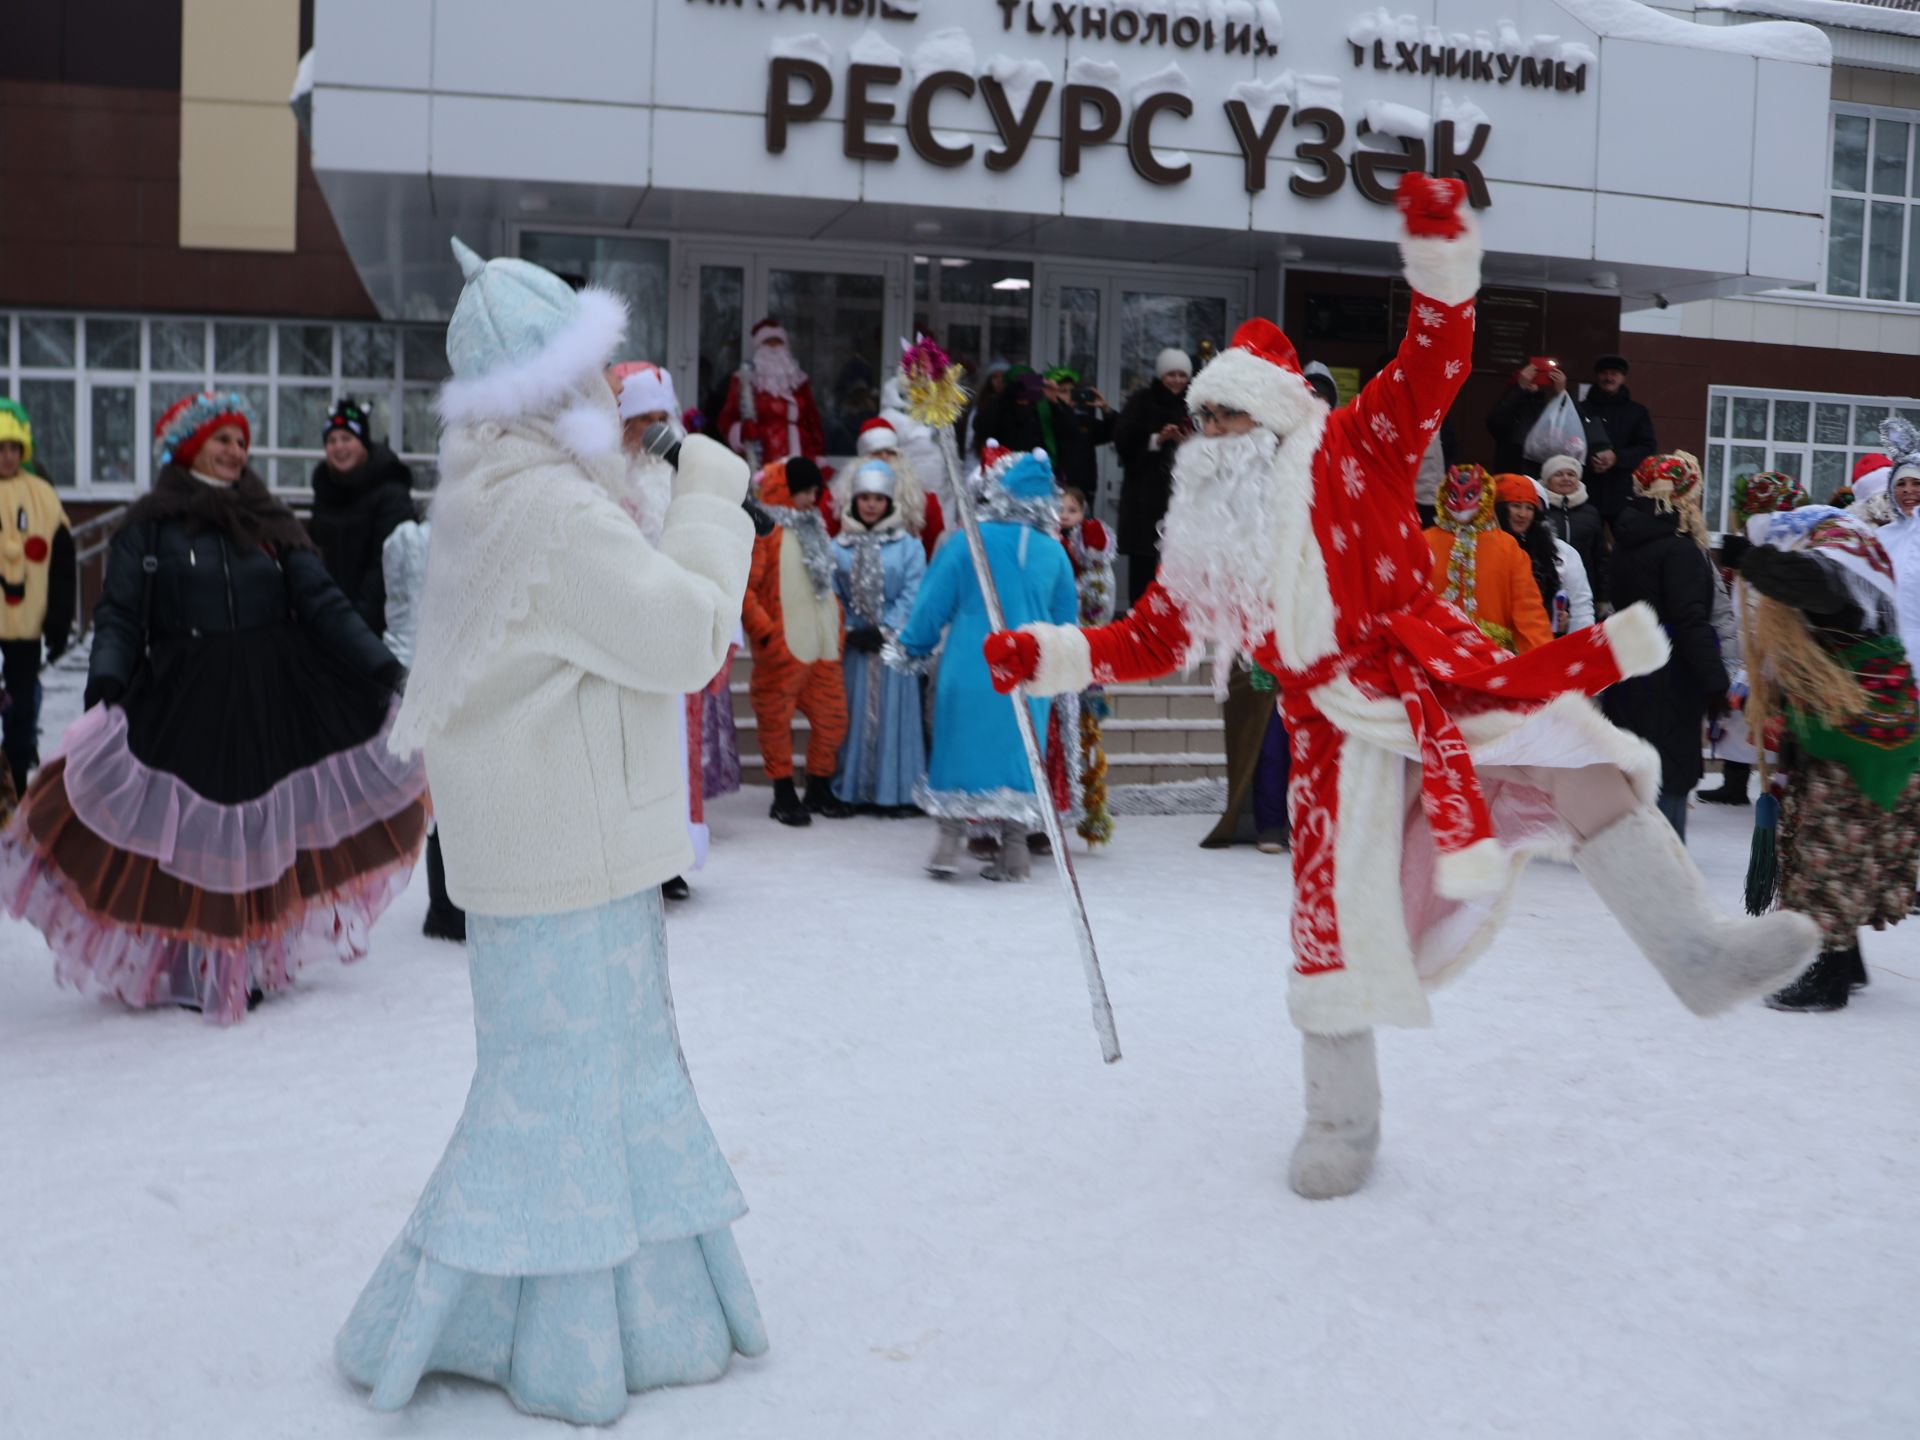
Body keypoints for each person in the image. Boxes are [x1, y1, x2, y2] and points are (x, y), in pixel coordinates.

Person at [985, 173, 1816, 1201]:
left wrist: (1437, 256)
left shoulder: (1357, 446)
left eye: (1232, 419)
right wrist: (1051, 655)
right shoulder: (1207, 529)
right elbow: (1156, 635)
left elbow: (1434, 362)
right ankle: (1341, 1121)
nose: (1215, 440)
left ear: (1278, 416)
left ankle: (1698, 952)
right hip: (1329, 731)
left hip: (1431, 670)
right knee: (1327, 922)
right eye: (1204, 422)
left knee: (1581, 762)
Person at [336, 241, 766, 1425]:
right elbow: (681, 639)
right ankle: (553, 1341)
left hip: (557, 858)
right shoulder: (545, 516)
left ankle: (621, 1321)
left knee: (594, 1088)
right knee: (571, 1100)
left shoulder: (502, 493)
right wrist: (713, 498)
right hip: (572, 864)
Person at [0, 390, 427, 1023]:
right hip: (183, 692)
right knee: (193, 836)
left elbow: (325, 605)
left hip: (268, 692)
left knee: (258, 835)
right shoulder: (148, 525)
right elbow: (119, 615)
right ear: (189, 445)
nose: (235, 451)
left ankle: (248, 960)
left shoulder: (269, 519)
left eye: (241, 442)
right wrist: (106, 688)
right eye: (222, 439)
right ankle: (188, 961)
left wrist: (387, 670)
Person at [1730, 507, 1920, 1011]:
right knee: (1839, 850)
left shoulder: (1839, 561)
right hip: (1867, 727)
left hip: (1853, 737)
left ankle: (1827, 979)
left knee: (1826, 854)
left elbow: (1809, 582)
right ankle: (1847, 962)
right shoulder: (1865, 555)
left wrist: (1750, 559)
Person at [895, 445, 1077, 882]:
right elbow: (1067, 620)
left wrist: (912, 645)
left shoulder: (968, 543)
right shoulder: (1054, 553)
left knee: (956, 747)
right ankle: (1014, 852)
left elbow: (933, 603)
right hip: (1029, 669)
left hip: (969, 663)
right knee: (1020, 754)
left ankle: (947, 842)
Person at [611, 361, 708, 900]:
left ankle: (670, 857)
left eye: (660, 416)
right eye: (640, 418)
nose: (652, 429)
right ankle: (628, 858)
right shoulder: (601, 472)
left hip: (674, 625)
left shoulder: (683, 470)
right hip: (619, 630)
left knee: (671, 750)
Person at [1600, 454, 1731, 840]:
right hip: (1669, 675)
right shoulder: (1680, 550)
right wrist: (1715, 682)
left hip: (1626, 666)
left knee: (1632, 765)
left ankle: (1627, 850)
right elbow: (1692, 621)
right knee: (1668, 771)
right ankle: (1663, 859)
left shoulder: (1625, 543)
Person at [743, 456, 850, 825]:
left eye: (814, 491)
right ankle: (783, 791)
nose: (810, 498)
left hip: (821, 647)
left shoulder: (814, 526)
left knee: (833, 719)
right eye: (803, 491)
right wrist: (765, 632)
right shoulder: (763, 530)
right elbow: (747, 589)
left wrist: (837, 627)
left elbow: (824, 584)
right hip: (783, 646)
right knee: (776, 721)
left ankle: (819, 785)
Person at [1699, 469, 1808, 808]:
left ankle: (1785, 790)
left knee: (1783, 725)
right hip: (1749, 655)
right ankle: (1735, 784)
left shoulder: (1790, 559)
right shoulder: (1750, 558)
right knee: (1739, 721)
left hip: (1782, 660)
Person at [831, 458, 927, 813]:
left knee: (895, 716)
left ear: (890, 502)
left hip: (893, 647)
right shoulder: (838, 546)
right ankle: (852, 788)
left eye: (878, 498)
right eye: (865, 497)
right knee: (852, 717)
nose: (871, 504)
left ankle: (896, 792)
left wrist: (886, 628)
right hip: (854, 647)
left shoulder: (909, 546)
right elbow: (830, 594)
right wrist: (850, 629)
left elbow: (914, 592)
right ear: (854, 500)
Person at [0, 399, 76, 796]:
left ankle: (16, 784)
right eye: (0, 448)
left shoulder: (41, 496)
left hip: (25, 625)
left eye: (14, 448)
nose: (7, 456)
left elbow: (63, 562)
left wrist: (59, 620)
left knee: (21, 711)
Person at [306, 397, 416, 636]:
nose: (339, 447)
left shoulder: (391, 490)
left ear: (363, 443)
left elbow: (385, 565)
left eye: (347, 438)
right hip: (332, 619)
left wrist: (356, 625)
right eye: (332, 440)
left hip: (379, 625)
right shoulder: (326, 489)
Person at [1425, 464, 1553, 653]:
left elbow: (1527, 608)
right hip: (1434, 653)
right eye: (1454, 495)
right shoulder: (1423, 543)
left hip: (1491, 656)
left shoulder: (1507, 547)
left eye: (1469, 496)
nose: (1461, 504)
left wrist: (1540, 659)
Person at [1112, 347, 1193, 608]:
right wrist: (1156, 439)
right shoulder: (1141, 401)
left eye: (1182, 374)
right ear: (1161, 375)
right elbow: (1123, 442)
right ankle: (1138, 619)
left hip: (1181, 502)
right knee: (1143, 572)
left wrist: (1187, 443)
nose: (1177, 380)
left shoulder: (1194, 403)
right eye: (1171, 374)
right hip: (1144, 503)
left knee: (1179, 570)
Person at [1059, 485, 1117, 847]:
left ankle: (1088, 809)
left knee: (1084, 731)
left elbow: (1100, 602)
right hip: (1055, 647)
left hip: (1081, 649)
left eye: (1071, 510)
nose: (1064, 515)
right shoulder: (1048, 544)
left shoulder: (1093, 559)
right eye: (1059, 508)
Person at [717, 317, 824, 469]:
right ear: (759, 346)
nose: (774, 347)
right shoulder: (744, 380)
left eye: (778, 341)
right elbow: (726, 419)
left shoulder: (798, 381)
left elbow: (813, 421)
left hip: (798, 453)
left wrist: (818, 454)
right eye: (768, 342)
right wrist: (742, 431)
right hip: (761, 455)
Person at [1498, 475, 1594, 634]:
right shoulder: (1484, 546)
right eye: (1516, 505)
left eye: (1530, 508)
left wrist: (1567, 627)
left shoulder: (1561, 551)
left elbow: (1580, 607)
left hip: (1543, 642)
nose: (1523, 514)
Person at [850, 414, 944, 556]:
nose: (885, 458)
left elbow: (935, 552)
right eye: (877, 453)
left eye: (890, 452)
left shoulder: (926, 503)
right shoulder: (837, 499)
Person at [1577, 354, 1657, 514]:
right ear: (1597, 376)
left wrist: (1617, 458)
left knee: (1628, 538)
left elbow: (1648, 448)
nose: (1609, 377)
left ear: (1623, 378)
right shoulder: (1581, 409)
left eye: (1614, 373)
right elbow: (1569, 445)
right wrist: (1590, 460)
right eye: (1604, 373)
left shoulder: (1637, 412)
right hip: (1587, 489)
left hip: (1624, 491)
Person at [1538, 453, 1606, 602]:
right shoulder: (1539, 510)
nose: (1566, 478)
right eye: (1558, 474)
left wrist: (1603, 597)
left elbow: (1600, 557)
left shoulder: (1591, 513)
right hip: (1546, 589)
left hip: (1583, 589)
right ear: (1547, 480)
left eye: (1571, 474)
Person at [1484, 356, 1569, 475]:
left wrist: (1561, 393)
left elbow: (1569, 427)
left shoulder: (1544, 406)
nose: (1532, 381)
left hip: (1542, 476)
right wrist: (1520, 387)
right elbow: (1494, 422)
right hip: (1512, 473)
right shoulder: (1510, 404)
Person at [1042, 367, 1115, 499]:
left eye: (1073, 391)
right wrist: (1056, 403)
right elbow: (1065, 424)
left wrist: (1106, 409)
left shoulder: (1084, 419)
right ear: (1052, 393)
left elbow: (1113, 432)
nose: (1070, 395)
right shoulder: (1044, 416)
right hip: (1054, 487)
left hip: (1083, 490)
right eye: (1063, 391)